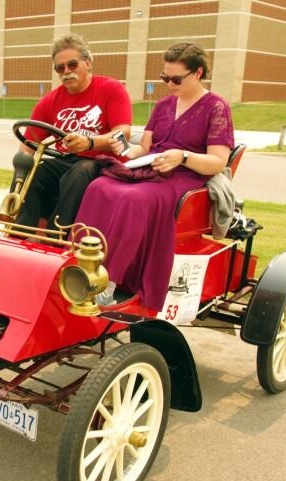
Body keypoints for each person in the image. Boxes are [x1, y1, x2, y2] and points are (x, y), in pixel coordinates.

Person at [75, 42, 234, 310]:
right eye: (165, 78)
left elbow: (218, 161)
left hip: (185, 175)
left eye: (176, 79)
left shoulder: (217, 107)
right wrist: (124, 148)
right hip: (151, 166)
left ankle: (108, 281)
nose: (169, 84)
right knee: (99, 187)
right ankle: (79, 265)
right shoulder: (163, 105)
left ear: (198, 73)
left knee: (132, 199)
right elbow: (143, 149)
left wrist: (182, 156)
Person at [15, 33, 132, 230]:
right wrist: (21, 167)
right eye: (60, 68)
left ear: (87, 63)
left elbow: (123, 133)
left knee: (80, 171)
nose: (66, 72)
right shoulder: (50, 100)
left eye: (72, 65)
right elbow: (28, 144)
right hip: (68, 160)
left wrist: (90, 143)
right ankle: (18, 230)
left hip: (103, 161)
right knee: (33, 171)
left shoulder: (111, 89)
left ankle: (56, 236)